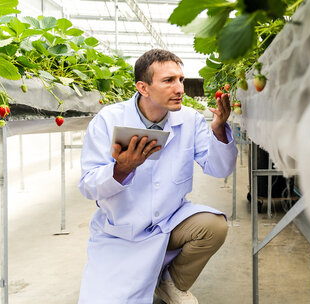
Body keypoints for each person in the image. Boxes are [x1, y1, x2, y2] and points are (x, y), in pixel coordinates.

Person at [77, 49, 238, 304]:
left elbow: (219, 169)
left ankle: (171, 283)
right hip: (122, 230)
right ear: (143, 87)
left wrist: (218, 130)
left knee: (214, 226)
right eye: (168, 81)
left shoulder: (189, 119)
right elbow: (88, 186)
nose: (180, 88)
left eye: (181, 79)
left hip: (169, 221)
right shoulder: (108, 120)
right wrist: (121, 169)